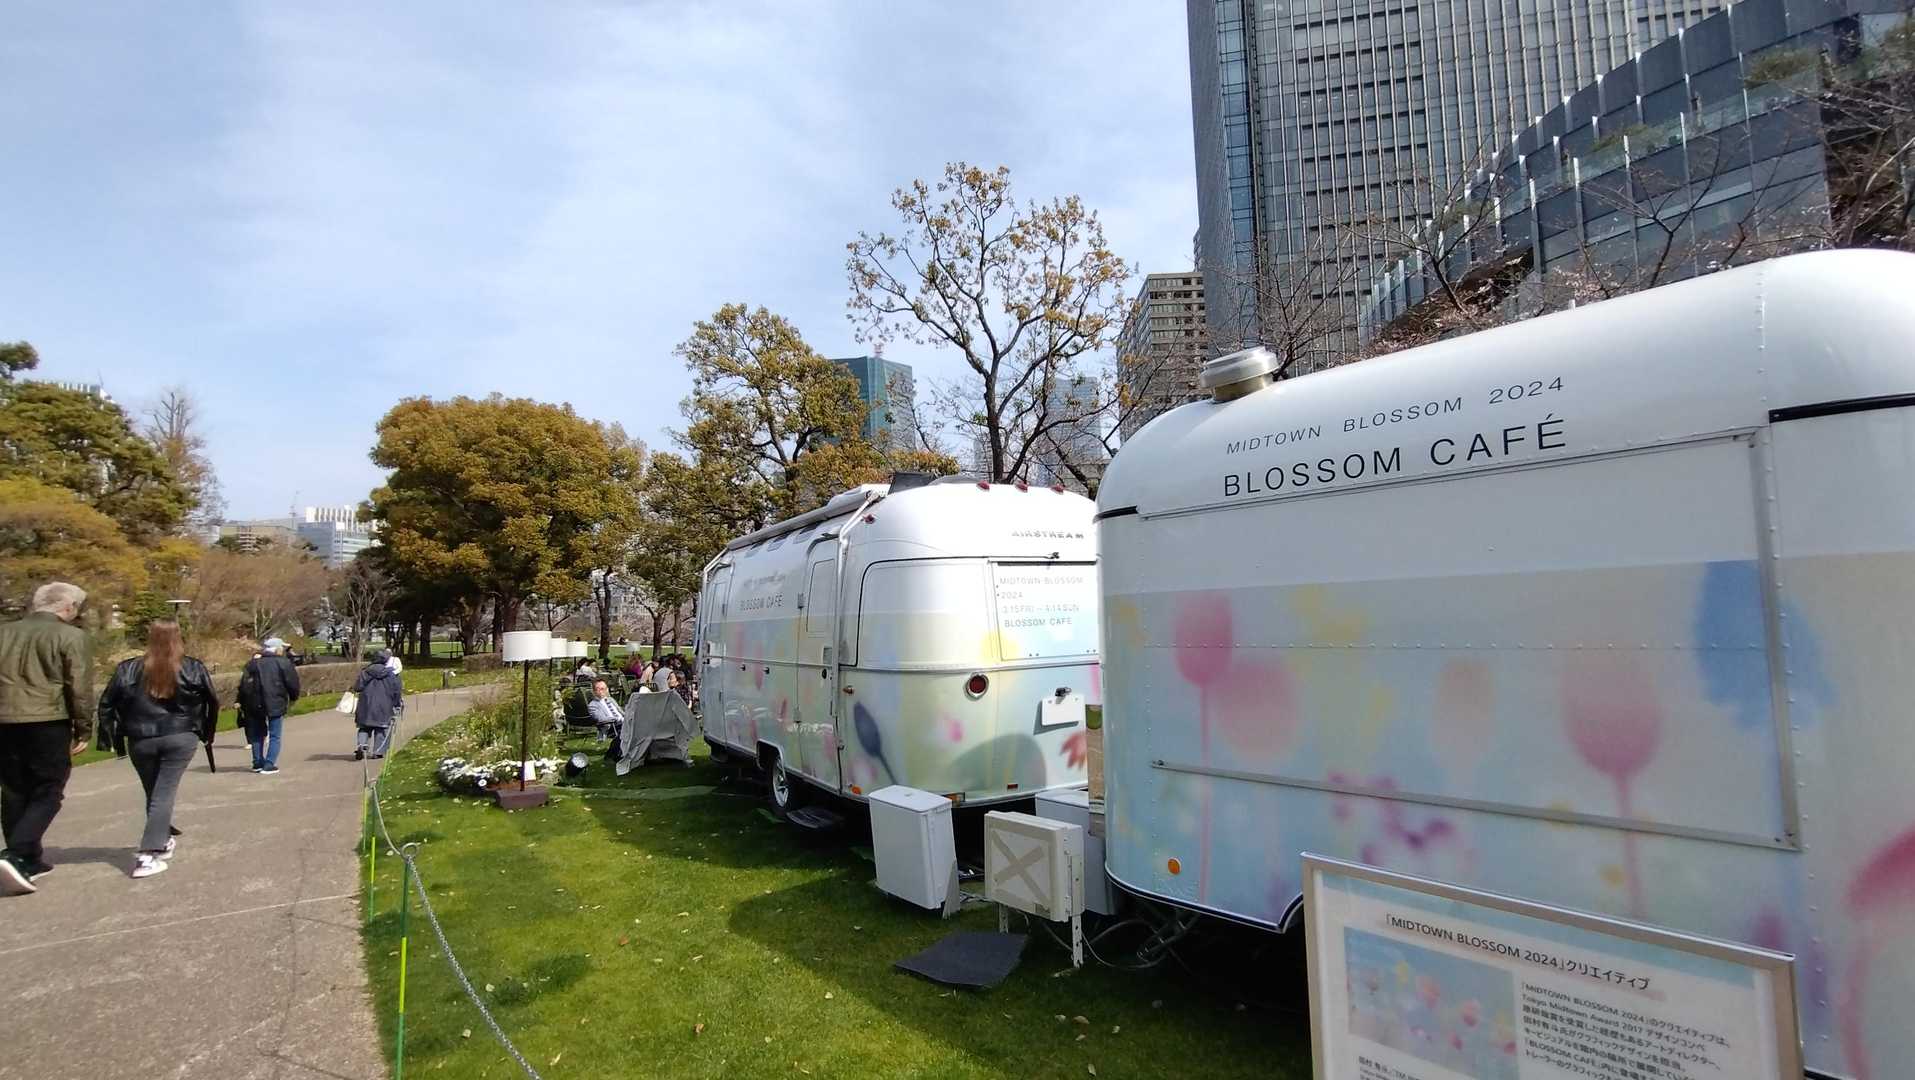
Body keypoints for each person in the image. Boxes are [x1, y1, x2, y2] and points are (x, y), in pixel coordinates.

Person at [96, 619, 217, 879]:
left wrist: (111, 737)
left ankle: (161, 837)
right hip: (179, 735)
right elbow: (211, 701)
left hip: (142, 738)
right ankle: (148, 853)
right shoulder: (192, 667)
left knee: (155, 792)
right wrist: (206, 733)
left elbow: (107, 704)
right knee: (161, 793)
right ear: (178, 637)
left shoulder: (128, 669)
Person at [0, 582, 93, 895]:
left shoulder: (4, 632)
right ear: (67, 607)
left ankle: (28, 859)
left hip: (5, 720)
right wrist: (83, 727)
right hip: (47, 719)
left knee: (13, 790)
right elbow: (78, 686)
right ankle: (16, 853)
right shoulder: (70, 636)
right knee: (48, 790)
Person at [237, 637, 301, 775]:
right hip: (275, 701)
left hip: (254, 703)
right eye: (281, 647)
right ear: (277, 648)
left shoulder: (252, 664)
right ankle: (269, 763)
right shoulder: (283, 663)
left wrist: (241, 701)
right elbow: (292, 683)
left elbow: (243, 685)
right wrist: (293, 697)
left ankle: (257, 762)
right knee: (275, 735)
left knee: (257, 734)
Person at [352, 649, 404, 760]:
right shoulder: (391, 674)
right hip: (384, 705)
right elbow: (396, 691)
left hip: (366, 704)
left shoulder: (365, 672)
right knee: (382, 728)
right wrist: (397, 705)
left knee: (364, 727)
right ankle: (378, 751)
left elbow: (357, 687)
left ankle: (362, 745)